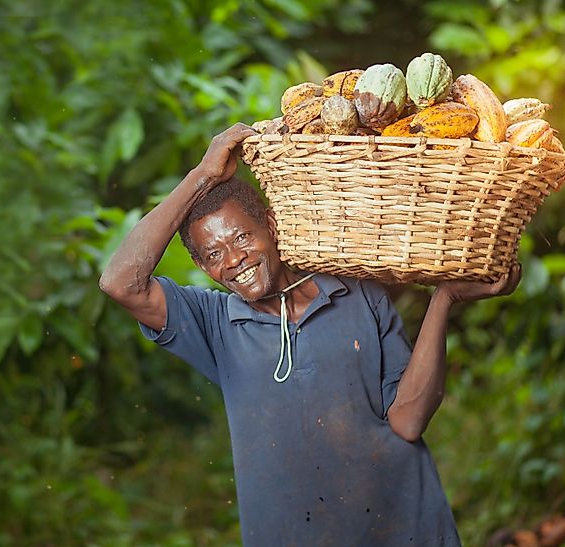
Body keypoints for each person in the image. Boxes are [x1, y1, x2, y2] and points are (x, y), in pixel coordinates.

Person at [99, 123, 521, 546]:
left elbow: (409, 421)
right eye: (214, 254)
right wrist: (204, 174)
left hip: (403, 531)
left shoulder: (357, 294)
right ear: (204, 268)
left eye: (243, 236)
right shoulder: (213, 323)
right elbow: (120, 282)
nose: (234, 259)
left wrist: (444, 299)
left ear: (271, 225)